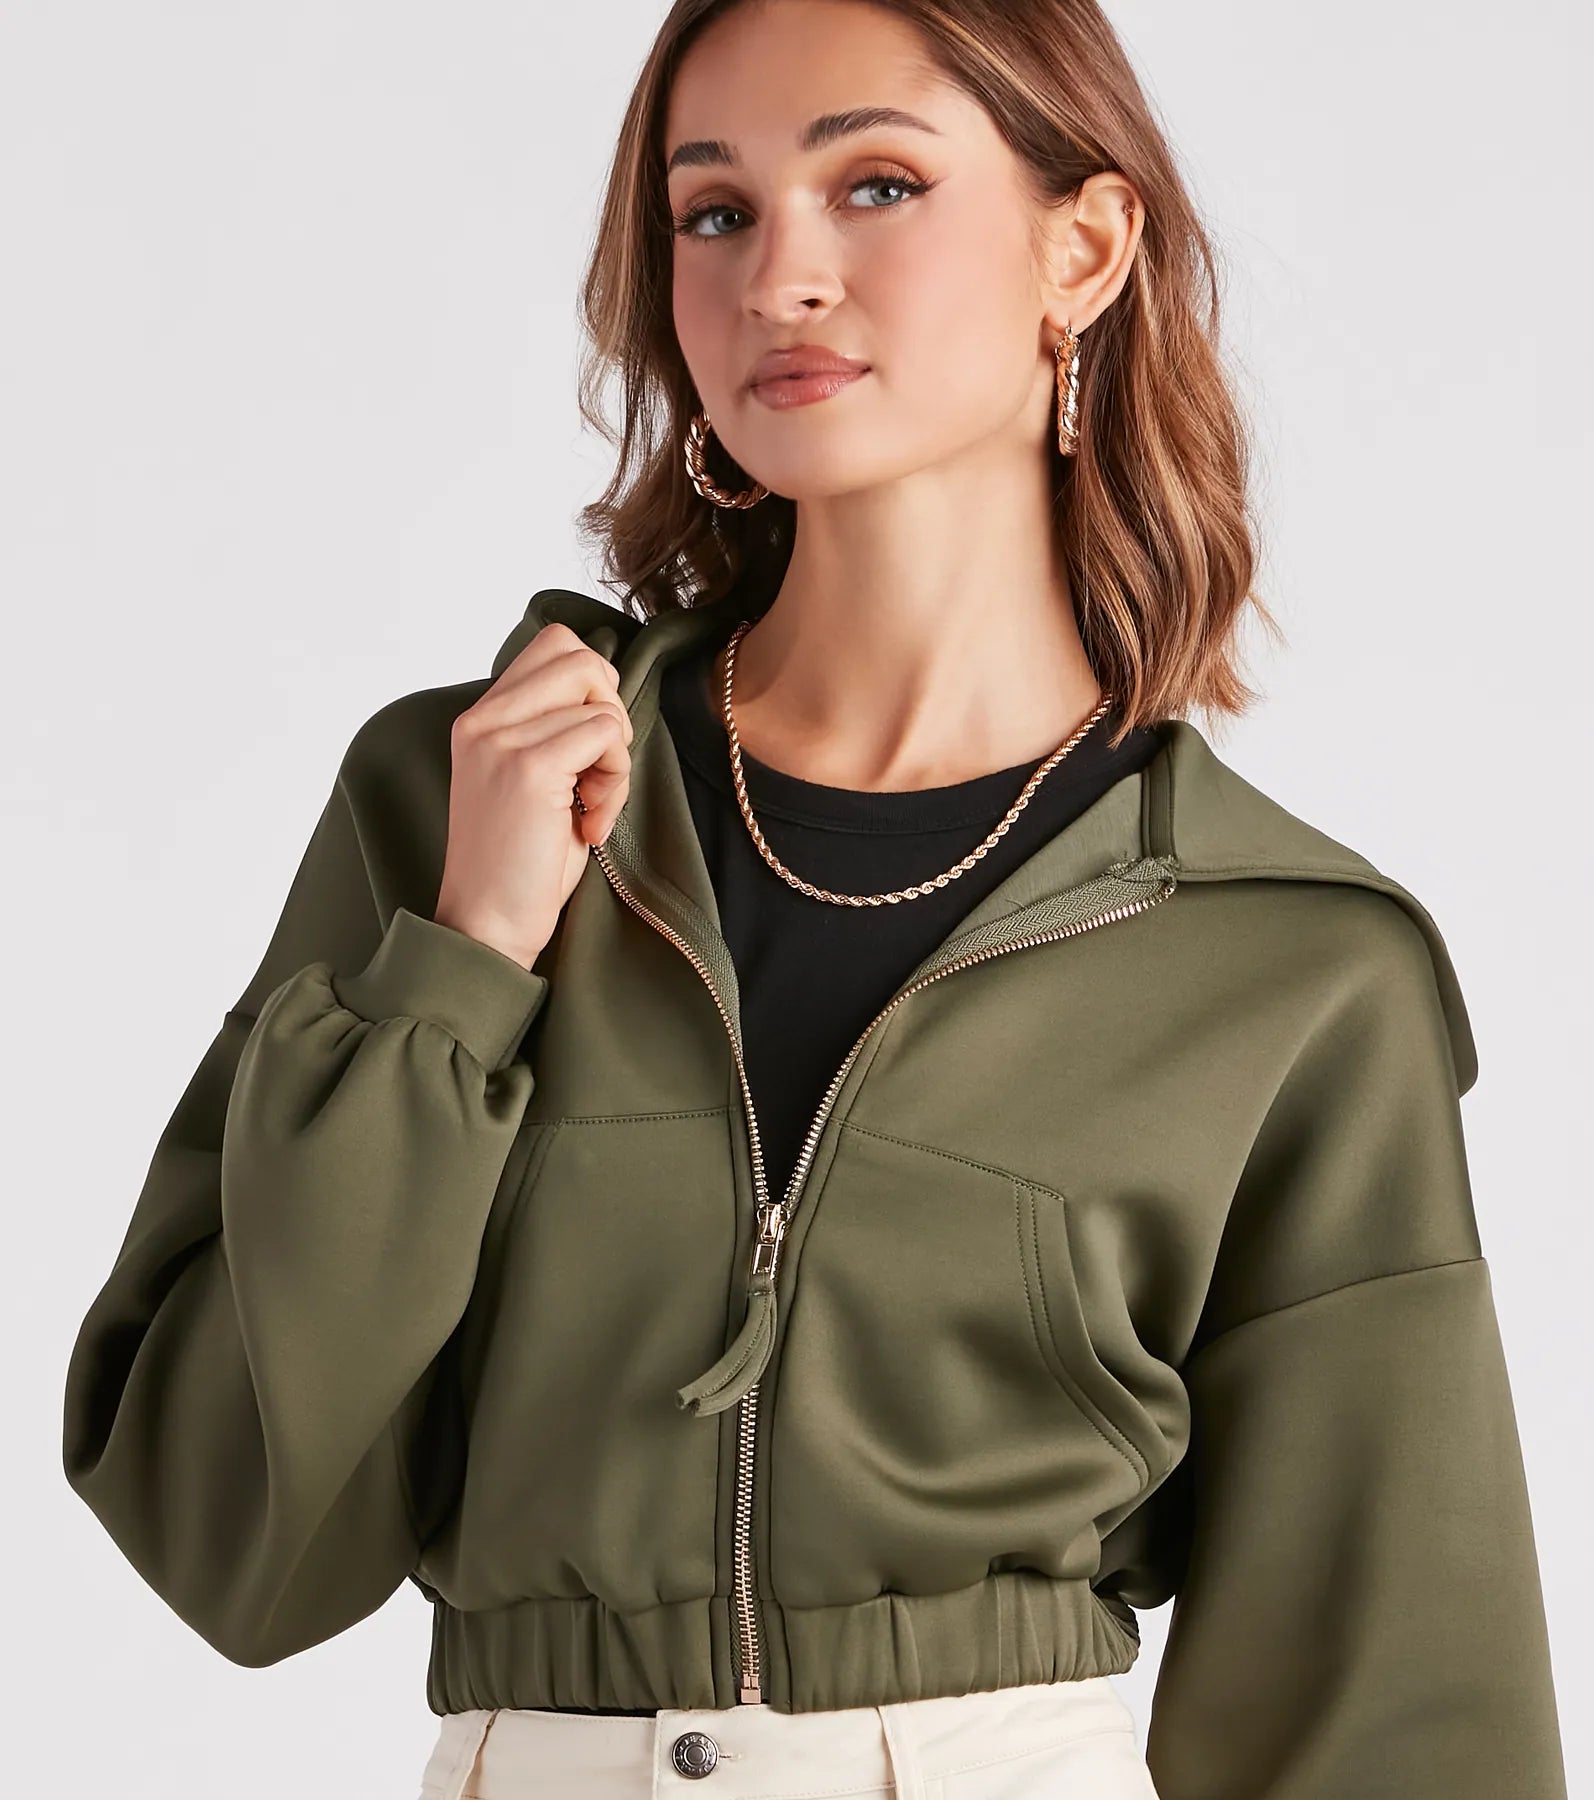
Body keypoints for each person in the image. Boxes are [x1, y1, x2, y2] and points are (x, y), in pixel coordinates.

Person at [62, 0, 1569, 1796]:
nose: (778, 275)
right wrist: (460, 968)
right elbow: (226, 1540)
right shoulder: (456, 803)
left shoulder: (1287, 958)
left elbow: (1388, 1702)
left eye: (875, 185)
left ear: (1082, 250)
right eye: (714, 212)